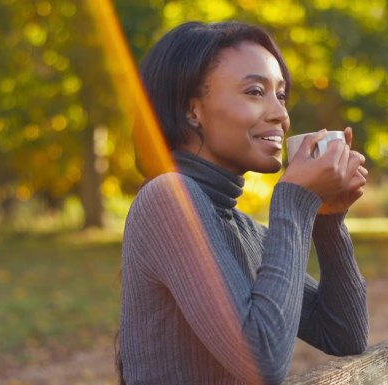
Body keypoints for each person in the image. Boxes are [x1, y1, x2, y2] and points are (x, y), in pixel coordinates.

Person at [118, 21, 369, 385]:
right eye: (255, 92)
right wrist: (294, 199)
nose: (280, 115)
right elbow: (261, 360)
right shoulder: (167, 198)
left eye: (281, 96)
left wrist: (327, 220)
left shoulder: (239, 228)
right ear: (193, 111)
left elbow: (344, 334)